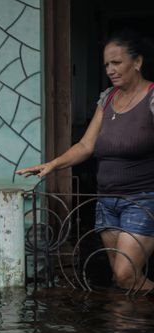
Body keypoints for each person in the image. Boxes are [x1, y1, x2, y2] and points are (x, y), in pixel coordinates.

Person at [17, 29, 154, 292]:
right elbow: (85, 145)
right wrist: (52, 165)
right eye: (106, 64)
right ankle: (126, 330)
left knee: (126, 275)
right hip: (107, 202)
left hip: (142, 200)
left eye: (117, 62)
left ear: (137, 63)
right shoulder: (108, 99)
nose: (110, 70)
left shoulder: (151, 98)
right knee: (120, 279)